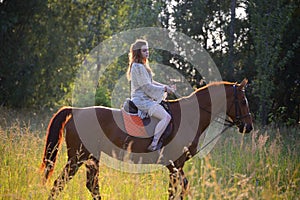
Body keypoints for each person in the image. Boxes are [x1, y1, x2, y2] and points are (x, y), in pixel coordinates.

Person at [126, 39, 175, 151]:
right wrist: (164, 89)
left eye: (147, 50)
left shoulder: (142, 66)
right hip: (142, 101)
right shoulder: (137, 67)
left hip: (146, 99)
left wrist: (166, 87)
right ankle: (154, 143)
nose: (147, 52)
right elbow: (147, 87)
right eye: (144, 51)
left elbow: (151, 82)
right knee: (166, 117)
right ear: (138, 52)